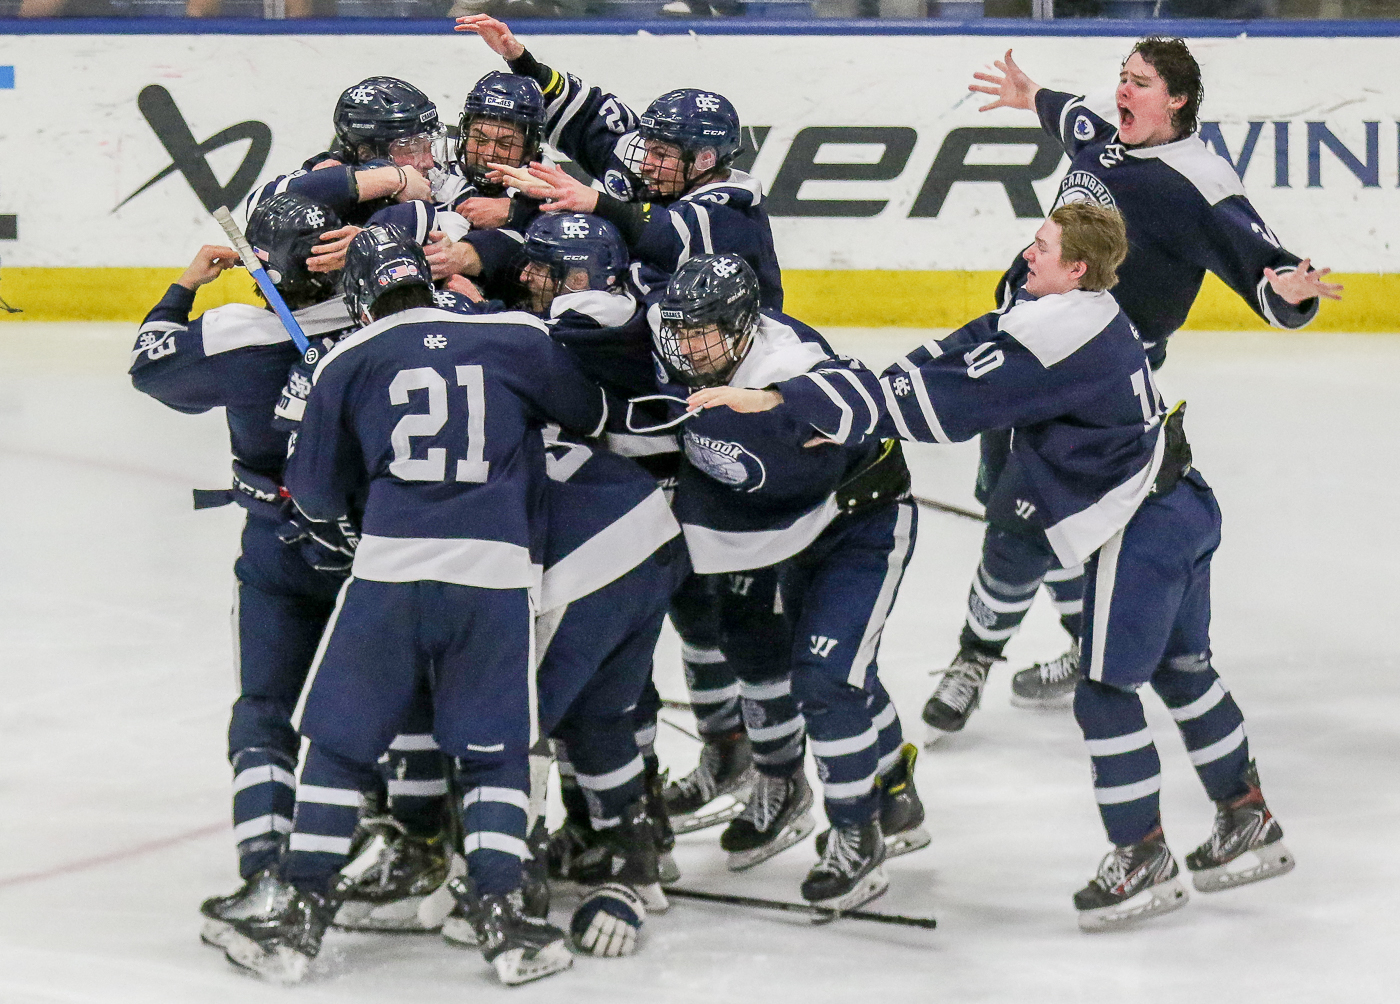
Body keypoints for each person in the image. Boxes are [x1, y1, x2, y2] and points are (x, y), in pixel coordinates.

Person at [759, 202, 1294, 930]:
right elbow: (980, 339)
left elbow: (947, 407)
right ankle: (1247, 815)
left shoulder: (1058, 335)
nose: (1028, 251)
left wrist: (831, 408)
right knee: (1182, 671)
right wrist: (880, 385)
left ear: (1076, 268)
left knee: (1104, 695)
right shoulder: (1076, 310)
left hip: (1139, 526)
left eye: (1043, 245)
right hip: (1181, 507)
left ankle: (1141, 855)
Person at [217, 225, 610, 986]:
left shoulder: (345, 359)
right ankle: (504, 922)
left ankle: (298, 918)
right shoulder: (516, 335)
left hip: (389, 574)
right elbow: (590, 414)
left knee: (338, 746)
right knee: (494, 753)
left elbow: (316, 496)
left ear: (360, 299)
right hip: (495, 577)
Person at [922, 35, 1344, 736]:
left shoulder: (1199, 184)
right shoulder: (1105, 126)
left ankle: (974, 658)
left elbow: (1265, 271)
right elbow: (1069, 116)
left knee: (1021, 524)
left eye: (1140, 83)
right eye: (1122, 76)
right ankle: (1080, 639)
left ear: (1176, 101)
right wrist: (1030, 95)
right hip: (1021, 349)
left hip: (1095, 386)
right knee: (1016, 508)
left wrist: (1290, 291)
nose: (1123, 90)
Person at [128, 193, 443, 945]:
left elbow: (149, 366)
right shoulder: (391, 331)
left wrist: (184, 287)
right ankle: (414, 844)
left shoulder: (237, 335)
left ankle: (268, 868)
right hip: (379, 548)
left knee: (264, 709)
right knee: (397, 703)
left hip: (279, 547)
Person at [644, 254, 927, 910]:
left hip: (858, 524)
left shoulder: (786, 359)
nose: (689, 347)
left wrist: (777, 400)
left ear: (745, 326)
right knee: (806, 662)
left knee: (827, 679)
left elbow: (863, 392)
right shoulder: (670, 335)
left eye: (705, 333)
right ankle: (885, 794)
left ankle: (857, 833)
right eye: (682, 331)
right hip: (780, 528)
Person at [454, 13, 784, 309]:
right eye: (648, 147)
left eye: (660, 154)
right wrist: (522, 61)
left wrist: (593, 202)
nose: (645, 163)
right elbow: (585, 119)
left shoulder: (734, 210)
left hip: (734, 338)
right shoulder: (658, 168)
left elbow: (668, 235)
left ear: (704, 160)